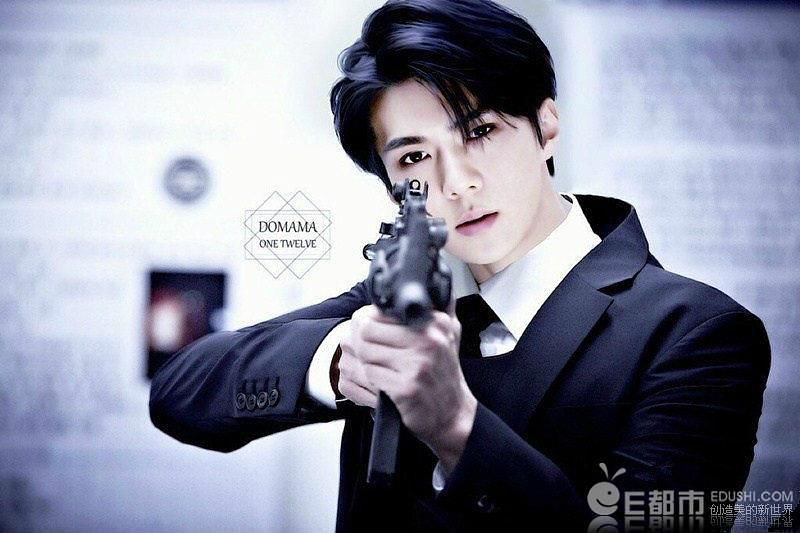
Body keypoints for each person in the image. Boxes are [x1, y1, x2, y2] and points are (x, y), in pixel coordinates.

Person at [149, 0, 770, 531]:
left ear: (546, 125)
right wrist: (340, 362)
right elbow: (181, 390)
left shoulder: (699, 332)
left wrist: (455, 426)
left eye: (480, 132)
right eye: (414, 157)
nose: (457, 183)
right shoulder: (398, 302)